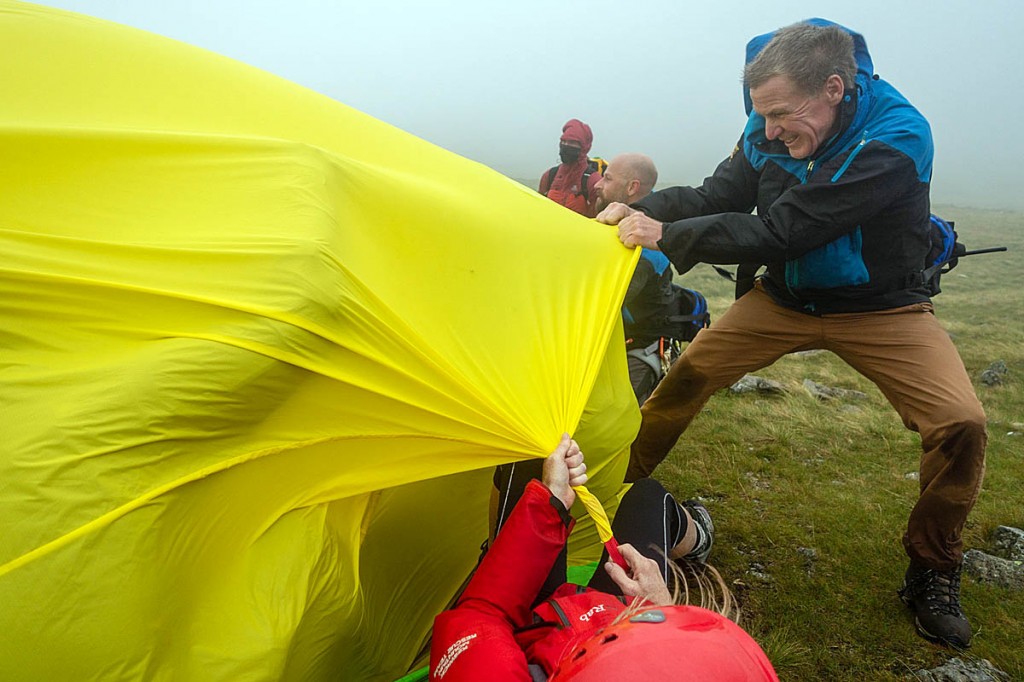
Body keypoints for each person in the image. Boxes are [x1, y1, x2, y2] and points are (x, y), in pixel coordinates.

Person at [596, 20, 986, 649]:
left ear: (834, 87)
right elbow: (719, 192)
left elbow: (791, 230)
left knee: (960, 423)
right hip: (783, 299)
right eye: (762, 116)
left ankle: (934, 567)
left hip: (881, 309)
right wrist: (638, 211)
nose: (769, 130)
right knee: (684, 380)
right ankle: (598, 501)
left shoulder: (898, 136)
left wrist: (663, 235)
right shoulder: (769, 122)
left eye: (780, 115)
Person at [431, 435, 779, 681]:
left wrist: (549, 505)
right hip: (616, 613)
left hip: (537, 628)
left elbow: (481, 614)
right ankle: (697, 537)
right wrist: (660, 610)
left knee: (531, 466)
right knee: (646, 496)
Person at [595, 153, 709, 404]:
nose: (597, 184)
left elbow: (602, 303)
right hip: (621, 338)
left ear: (632, 188)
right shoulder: (621, 227)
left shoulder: (645, 248)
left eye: (607, 178)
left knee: (614, 413)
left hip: (643, 344)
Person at [538, 119, 603, 218]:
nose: (566, 146)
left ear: (584, 147)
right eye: (563, 141)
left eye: (572, 142)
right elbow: (538, 210)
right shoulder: (549, 176)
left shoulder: (593, 181)